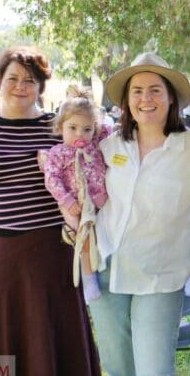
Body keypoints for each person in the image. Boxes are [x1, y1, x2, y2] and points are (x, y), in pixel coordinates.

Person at [0, 46, 100, 376]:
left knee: (51, 334)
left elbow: (92, 158)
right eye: (12, 78)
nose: (20, 86)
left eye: (29, 80)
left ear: (41, 86)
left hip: (51, 253)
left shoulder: (57, 128)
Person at [90, 52, 190, 376]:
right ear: (127, 101)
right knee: (117, 368)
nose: (146, 98)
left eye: (155, 89)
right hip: (107, 269)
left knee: (154, 370)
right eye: (137, 91)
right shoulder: (109, 147)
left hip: (161, 274)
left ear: (171, 98)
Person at [42, 87, 108, 302]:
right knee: (85, 235)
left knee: (103, 234)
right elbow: (52, 179)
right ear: (61, 128)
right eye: (73, 128)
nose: (80, 134)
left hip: (99, 200)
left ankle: (102, 268)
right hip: (74, 203)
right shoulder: (58, 153)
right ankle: (89, 279)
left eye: (87, 129)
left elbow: (109, 130)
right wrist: (67, 200)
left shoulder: (94, 145)